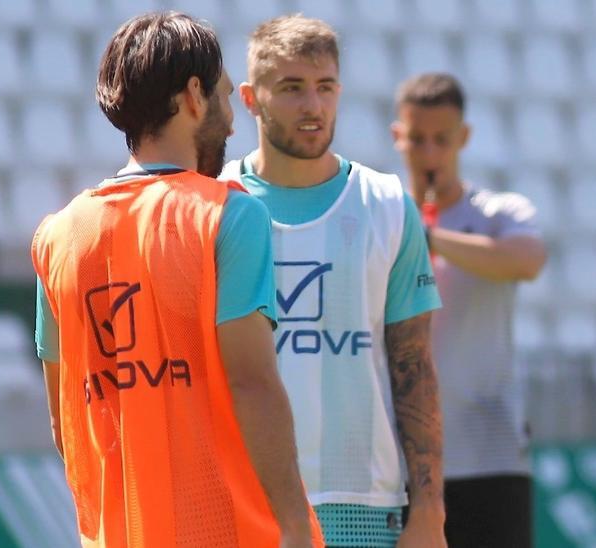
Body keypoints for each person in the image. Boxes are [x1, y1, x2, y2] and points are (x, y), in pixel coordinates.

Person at [32, 11, 320, 547]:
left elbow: (65, 423)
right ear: (193, 96)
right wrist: (296, 528)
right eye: (226, 97)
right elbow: (251, 384)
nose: (233, 122)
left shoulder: (56, 238)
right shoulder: (231, 216)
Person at [217, 15, 445, 548]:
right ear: (251, 98)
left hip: (366, 505)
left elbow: (414, 365)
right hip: (245, 501)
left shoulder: (387, 204)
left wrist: (430, 511)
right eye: (292, 89)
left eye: (324, 88)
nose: (312, 107)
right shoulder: (213, 204)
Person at [390, 73, 547, 547]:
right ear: (398, 137)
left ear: (464, 137)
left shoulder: (500, 211)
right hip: (400, 463)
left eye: (442, 140)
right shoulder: (383, 215)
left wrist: (430, 238)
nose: (430, 154)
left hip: (489, 455)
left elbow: (526, 260)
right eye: (418, 140)